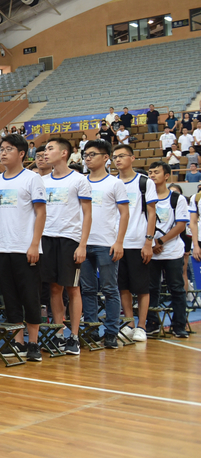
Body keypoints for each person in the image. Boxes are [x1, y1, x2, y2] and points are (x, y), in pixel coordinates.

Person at [0, 133, 47, 362]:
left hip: (26, 249)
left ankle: (33, 342)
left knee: (30, 296)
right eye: (1, 148)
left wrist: (34, 244)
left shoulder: (32, 179)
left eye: (9, 149)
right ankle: (18, 341)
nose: (3, 152)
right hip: (3, 248)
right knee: (9, 296)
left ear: (22, 153)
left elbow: (41, 213)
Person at [41, 137, 92, 355]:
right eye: (44, 149)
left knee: (72, 288)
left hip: (69, 239)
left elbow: (88, 214)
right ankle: (59, 334)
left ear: (64, 153)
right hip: (47, 238)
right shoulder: (42, 181)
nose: (45, 152)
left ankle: (74, 336)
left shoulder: (79, 180)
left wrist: (82, 245)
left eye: (50, 148)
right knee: (54, 288)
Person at [80, 140, 129, 349]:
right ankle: (91, 330)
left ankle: (111, 332)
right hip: (83, 243)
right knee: (87, 290)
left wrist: (119, 242)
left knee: (110, 289)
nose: (88, 158)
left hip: (106, 244)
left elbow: (124, 213)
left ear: (105, 157)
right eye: (85, 154)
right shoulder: (81, 182)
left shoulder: (114, 183)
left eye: (93, 154)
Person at [112, 144, 156, 343]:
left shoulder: (144, 182)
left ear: (132, 158)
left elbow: (152, 213)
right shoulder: (112, 183)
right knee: (123, 287)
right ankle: (130, 323)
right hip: (117, 243)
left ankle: (142, 326)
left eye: (122, 156)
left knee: (142, 288)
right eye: (115, 157)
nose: (118, 160)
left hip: (138, 242)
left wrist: (148, 242)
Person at [145, 162, 189, 338]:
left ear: (166, 176)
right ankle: (152, 324)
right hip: (150, 252)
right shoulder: (145, 199)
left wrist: (160, 240)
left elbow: (181, 225)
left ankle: (179, 325)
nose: (152, 175)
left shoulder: (177, 199)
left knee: (176, 289)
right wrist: (150, 243)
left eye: (156, 172)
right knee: (150, 289)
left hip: (172, 252)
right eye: (150, 172)